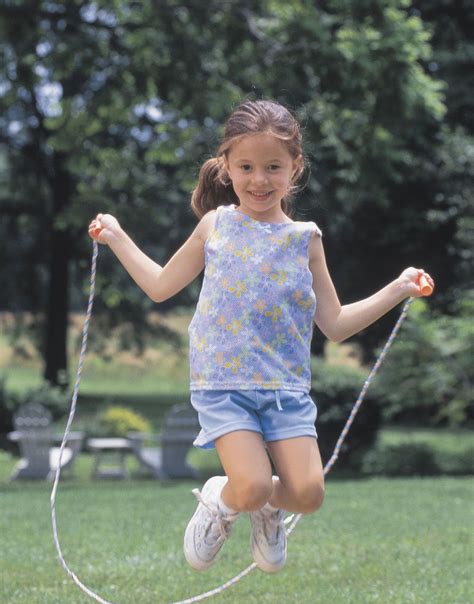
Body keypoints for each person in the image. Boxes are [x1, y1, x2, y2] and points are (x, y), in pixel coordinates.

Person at [88, 99, 434, 575]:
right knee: (247, 486)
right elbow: (160, 286)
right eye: (246, 166)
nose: (259, 180)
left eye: (273, 167)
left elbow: (333, 324)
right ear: (226, 166)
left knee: (309, 496)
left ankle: (267, 509)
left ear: (295, 167)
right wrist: (117, 237)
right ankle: (220, 500)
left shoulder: (305, 239)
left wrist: (397, 289)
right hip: (223, 384)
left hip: (286, 391)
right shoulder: (216, 226)